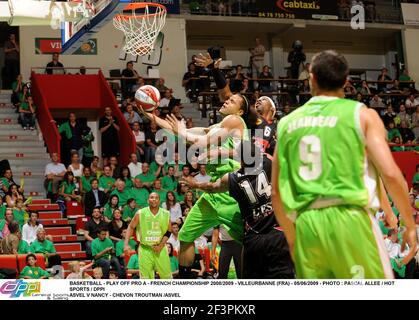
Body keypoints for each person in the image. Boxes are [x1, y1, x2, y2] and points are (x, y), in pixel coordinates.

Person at [272, 50, 417, 279]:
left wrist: (292, 239)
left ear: (312, 78)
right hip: (351, 220)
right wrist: (408, 224)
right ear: (347, 82)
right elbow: (389, 173)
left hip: (307, 225)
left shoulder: (287, 123)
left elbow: (277, 193)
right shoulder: (362, 115)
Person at [138, 52, 258, 278]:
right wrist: (151, 117)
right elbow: (182, 132)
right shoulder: (217, 125)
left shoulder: (235, 121)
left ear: (240, 111)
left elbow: (197, 141)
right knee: (185, 237)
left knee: (244, 244)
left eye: (231, 101)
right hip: (212, 194)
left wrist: (183, 131)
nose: (226, 100)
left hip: (231, 194)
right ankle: (185, 282)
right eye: (227, 98)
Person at [183, 141, 294, 278]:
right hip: (277, 232)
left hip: (254, 237)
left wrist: (195, 185)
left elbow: (212, 187)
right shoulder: (268, 163)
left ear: (241, 160)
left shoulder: (233, 179)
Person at [124, 193, 172, 279]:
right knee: (146, 279)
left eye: (156, 198)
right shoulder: (140, 213)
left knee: (167, 277)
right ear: (148, 200)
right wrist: (126, 244)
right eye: (152, 197)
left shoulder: (166, 213)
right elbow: (130, 227)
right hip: (145, 249)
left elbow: (168, 231)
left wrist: (160, 246)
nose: (154, 199)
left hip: (160, 248)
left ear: (159, 201)